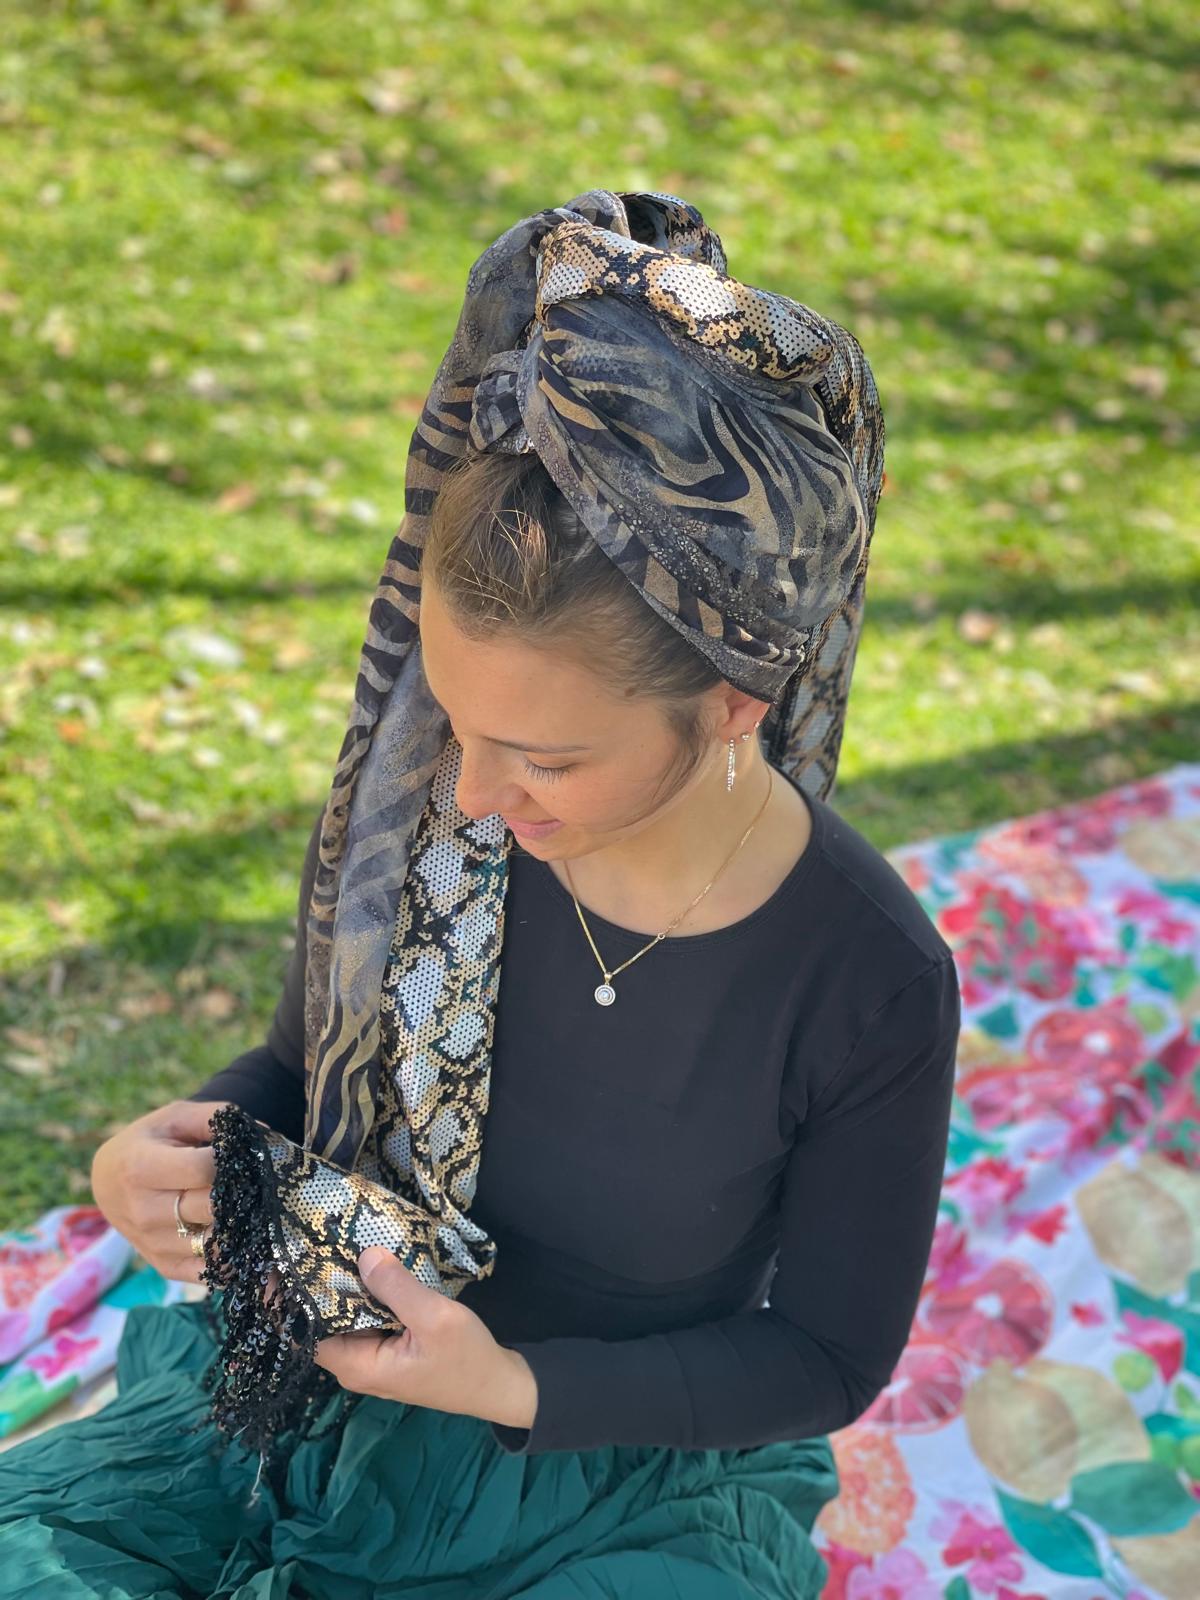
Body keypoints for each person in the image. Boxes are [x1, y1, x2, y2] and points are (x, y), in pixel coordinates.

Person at [0, 193, 961, 1599]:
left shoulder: (865, 978)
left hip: (614, 1473)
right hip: (309, 1395)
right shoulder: (420, 820)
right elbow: (300, 1073)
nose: (472, 794)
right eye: (453, 723)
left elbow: (822, 1356)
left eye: (546, 759)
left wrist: (505, 1384)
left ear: (734, 704)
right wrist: (158, 1163)